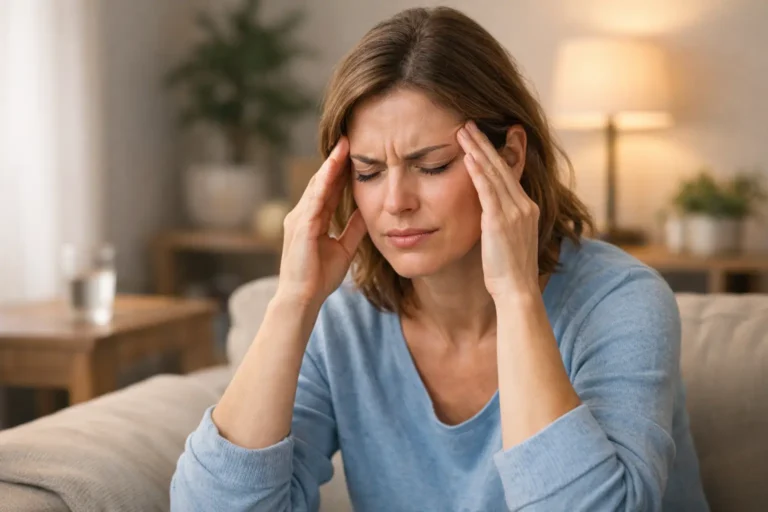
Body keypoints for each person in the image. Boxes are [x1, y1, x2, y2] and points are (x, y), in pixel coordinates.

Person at [170, 6, 709, 512]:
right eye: (368, 172)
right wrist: (293, 302)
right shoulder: (341, 321)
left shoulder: (621, 302)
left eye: (429, 165)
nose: (395, 202)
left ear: (511, 156)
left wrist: (518, 296)